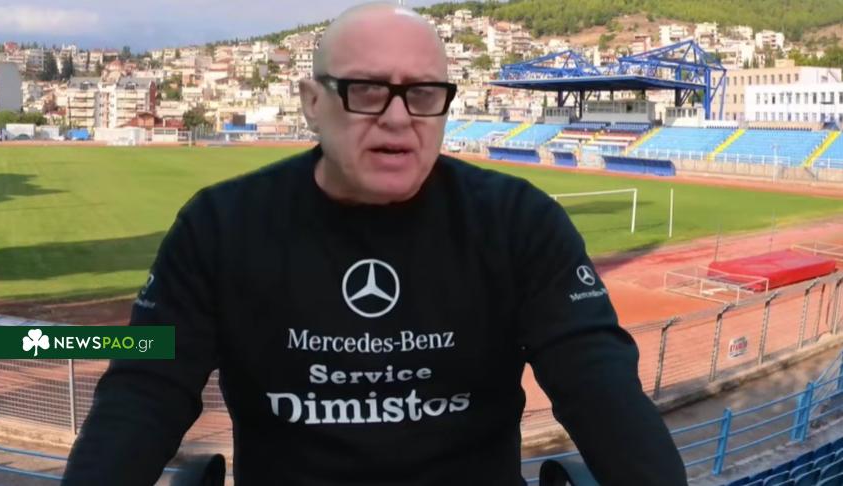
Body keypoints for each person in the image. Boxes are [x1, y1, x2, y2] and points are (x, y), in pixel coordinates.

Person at [62, 3, 687, 485]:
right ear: (312, 103)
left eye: (423, 94)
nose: (397, 117)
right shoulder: (218, 225)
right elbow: (146, 385)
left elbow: (598, 385)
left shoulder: (520, 221)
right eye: (365, 91)